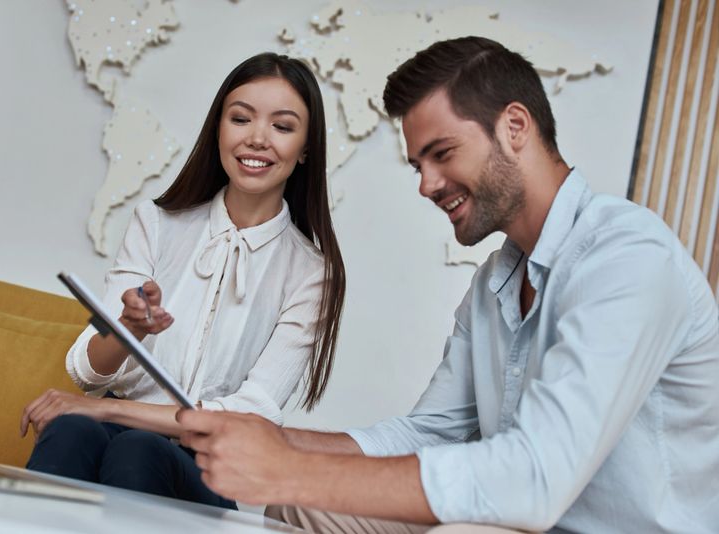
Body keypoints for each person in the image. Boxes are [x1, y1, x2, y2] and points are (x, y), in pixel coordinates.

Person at [174, 37, 719, 533]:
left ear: (515, 127)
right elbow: (427, 435)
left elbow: (535, 477)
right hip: (527, 520)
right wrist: (272, 443)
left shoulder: (627, 256)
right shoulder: (492, 288)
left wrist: (288, 470)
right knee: (307, 507)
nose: (427, 185)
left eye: (442, 153)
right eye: (417, 165)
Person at [19, 52, 345, 509]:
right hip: (111, 424)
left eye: (282, 126)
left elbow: (254, 412)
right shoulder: (155, 223)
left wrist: (108, 408)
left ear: (306, 148)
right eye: (241, 119)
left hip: (209, 464)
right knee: (72, 430)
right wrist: (129, 328)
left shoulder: (313, 273)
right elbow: (87, 372)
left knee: (136, 447)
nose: (257, 139)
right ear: (219, 129)